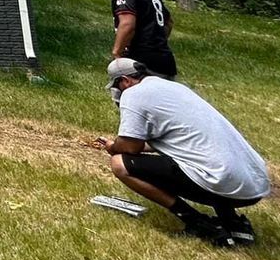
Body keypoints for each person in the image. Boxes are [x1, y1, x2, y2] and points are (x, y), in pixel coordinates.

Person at [97, 57, 270, 247]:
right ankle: (234, 224)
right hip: (254, 185)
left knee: (120, 164)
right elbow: (176, 141)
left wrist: (113, 147)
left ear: (125, 80)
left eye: (117, 86)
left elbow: (130, 147)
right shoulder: (175, 89)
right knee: (201, 159)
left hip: (222, 181)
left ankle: (197, 222)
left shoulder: (133, 94)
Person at [99, 0, 178, 78]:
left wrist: (117, 52)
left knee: (131, 96)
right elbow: (169, 22)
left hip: (140, 60)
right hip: (165, 59)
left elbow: (127, 23)